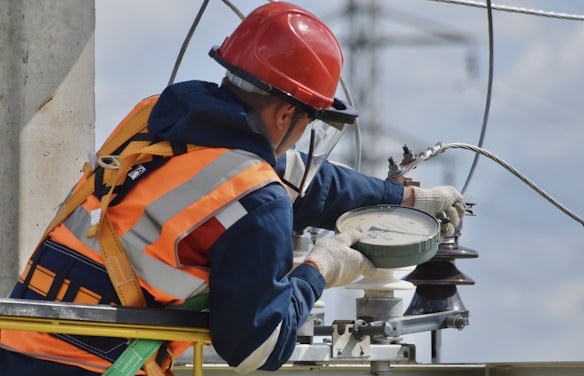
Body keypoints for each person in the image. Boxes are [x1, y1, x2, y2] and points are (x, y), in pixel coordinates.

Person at [0, 2, 465, 375]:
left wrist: (402, 199)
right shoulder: (256, 197)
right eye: (309, 121)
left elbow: (304, 180)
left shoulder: (157, 119)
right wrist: (321, 268)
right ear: (287, 116)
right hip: (90, 364)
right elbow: (258, 348)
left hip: (16, 338)